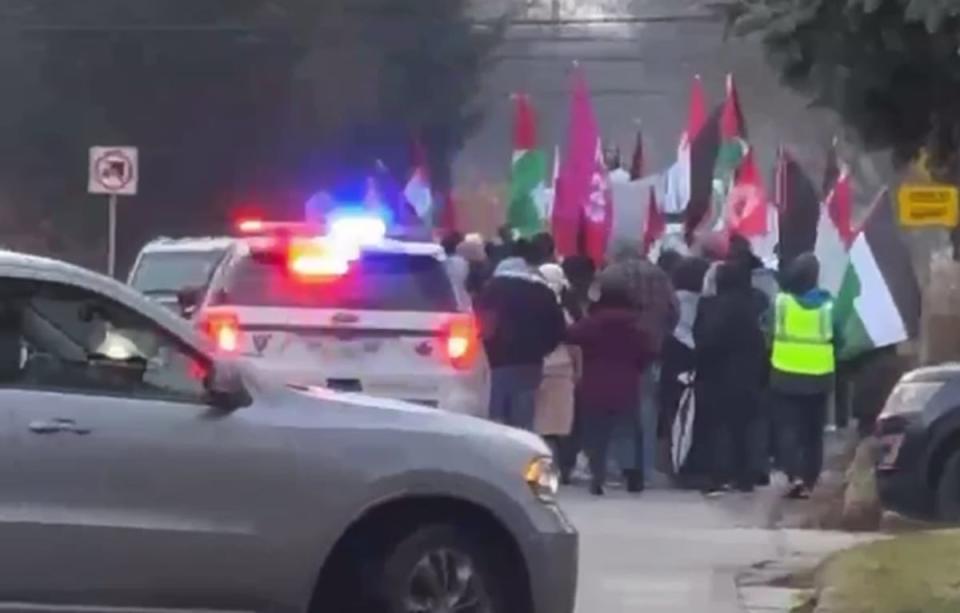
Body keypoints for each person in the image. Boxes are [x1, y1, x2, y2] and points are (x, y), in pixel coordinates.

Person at [597, 239, 678, 484]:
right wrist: (661, 333)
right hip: (652, 348)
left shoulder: (609, 276)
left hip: (615, 350)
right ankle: (647, 466)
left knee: (614, 407)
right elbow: (674, 310)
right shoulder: (659, 275)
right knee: (647, 407)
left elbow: (595, 309)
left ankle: (618, 466)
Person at [567, 286, 654, 495]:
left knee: (596, 434)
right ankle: (632, 474)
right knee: (627, 433)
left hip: (594, 386)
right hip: (626, 386)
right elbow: (647, 353)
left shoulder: (590, 325)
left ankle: (598, 476)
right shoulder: (637, 327)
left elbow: (568, 335)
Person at [694, 263, 769, 495]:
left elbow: (705, 339)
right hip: (751, 373)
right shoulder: (757, 304)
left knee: (720, 426)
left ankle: (720, 474)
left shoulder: (713, 306)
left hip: (719, 374)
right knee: (747, 425)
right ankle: (747, 474)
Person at [476, 240, 566, 431]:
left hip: (495, 362)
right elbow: (558, 328)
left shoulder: (491, 290)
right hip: (530, 364)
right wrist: (541, 350)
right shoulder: (543, 291)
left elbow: (481, 324)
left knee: (495, 419)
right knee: (524, 420)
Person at [771, 253, 840, 499]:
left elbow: (768, 330)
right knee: (813, 433)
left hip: (785, 375)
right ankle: (811, 479)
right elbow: (839, 337)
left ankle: (794, 475)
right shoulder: (829, 306)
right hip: (819, 377)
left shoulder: (781, 304)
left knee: (788, 429)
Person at [659, 256, 709, 471]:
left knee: (671, 407)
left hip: (674, 352)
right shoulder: (708, 301)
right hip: (699, 354)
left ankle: (669, 458)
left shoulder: (671, 300)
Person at [534, 264, 581, 461]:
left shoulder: (536, 304)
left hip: (540, 368)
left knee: (541, 423)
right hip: (563, 370)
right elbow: (575, 344)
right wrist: (579, 369)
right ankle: (563, 464)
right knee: (560, 423)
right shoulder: (569, 308)